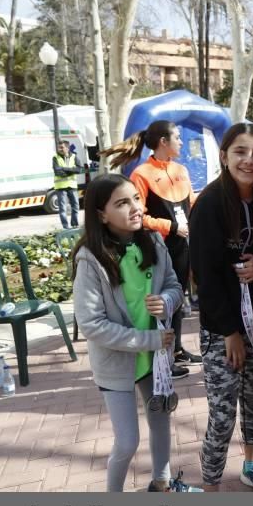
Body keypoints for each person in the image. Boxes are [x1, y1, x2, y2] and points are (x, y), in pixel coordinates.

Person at [72, 174, 188, 492]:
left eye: (136, 198)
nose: (135, 208)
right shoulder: (91, 260)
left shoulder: (153, 242)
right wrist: (149, 339)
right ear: (100, 214)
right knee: (127, 442)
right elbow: (92, 324)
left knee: (161, 419)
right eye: (122, 203)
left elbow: (174, 287)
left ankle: (162, 484)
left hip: (155, 362)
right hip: (118, 366)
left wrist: (165, 302)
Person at [189, 122, 253, 493]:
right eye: (240, 152)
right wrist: (229, 332)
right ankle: (210, 488)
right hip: (223, 332)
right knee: (223, 414)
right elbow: (205, 278)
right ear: (224, 156)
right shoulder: (210, 204)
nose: (249, 160)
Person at [101, 121, 199, 380]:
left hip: (183, 243)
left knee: (178, 298)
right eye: (177, 137)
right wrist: (171, 226)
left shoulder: (181, 169)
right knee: (161, 301)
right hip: (159, 246)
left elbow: (191, 202)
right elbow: (138, 216)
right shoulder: (141, 174)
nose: (181, 142)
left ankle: (176, 349)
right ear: (163, 142)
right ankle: (162, 357)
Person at [52, 140, 81, 229]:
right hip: (60, 187)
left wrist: (64, 168)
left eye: (62, 147)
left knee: (75, 206)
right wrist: (71, 170)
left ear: (67, 148)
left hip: (72, 186)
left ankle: (74, 224)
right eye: (59, 147)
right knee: (62, 208)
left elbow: (78, 170)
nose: (60, 149)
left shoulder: (74, 157)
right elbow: (57, 171)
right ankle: (65, 226)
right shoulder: (55, 158)